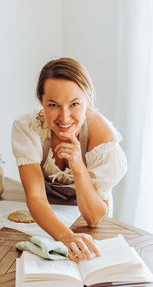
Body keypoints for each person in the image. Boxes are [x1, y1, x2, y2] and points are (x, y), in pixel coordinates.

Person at [11, 57, 127, 263]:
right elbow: (36, 198)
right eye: (53, 105)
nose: (64, 118)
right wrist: (65, 236)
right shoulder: (28, 129)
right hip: (48, 218)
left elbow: (93, 218)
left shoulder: (102, 139)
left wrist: (78, 166)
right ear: (41, 100)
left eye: (74, 104)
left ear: (88, 98)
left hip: (91, 220)